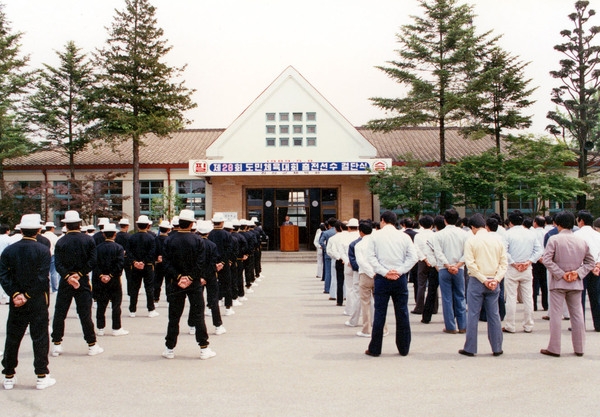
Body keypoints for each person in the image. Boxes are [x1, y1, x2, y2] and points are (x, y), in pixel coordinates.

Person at [1, 214, 55, 390]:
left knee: (13, 337)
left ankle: (8, 375)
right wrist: (28, 295)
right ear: (39, 230)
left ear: (21, 229)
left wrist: (16, 294)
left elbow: (3, 275)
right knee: (39, 337)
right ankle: (41, 375)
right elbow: (41, 278)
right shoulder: (42, 250)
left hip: (16, 300)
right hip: (37, 299)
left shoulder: (10, 250)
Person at [162, 209, 215, 360]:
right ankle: (204, 348)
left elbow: (166, 263)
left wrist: (179, 277)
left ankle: (169, 348)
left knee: (174, 317)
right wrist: (190, 277)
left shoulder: (169, 240)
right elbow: (201, 262)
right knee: (198, 316)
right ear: (192, 224)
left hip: (175, 282)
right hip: (194, 283)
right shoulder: (198, 240)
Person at [364, 211, 418, 357]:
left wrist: (384, 271)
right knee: (402, 313)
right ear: (395, 222)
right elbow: (413, 257)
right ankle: (404, 347)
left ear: (382, 221)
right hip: (399, 279)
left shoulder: (375, 236)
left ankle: (375, 348)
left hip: (382, 279)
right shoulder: (404, 236)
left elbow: (370, 257)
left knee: (380, 313)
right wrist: (400, 271)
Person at [541, 211, 595, 357]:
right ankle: (579, 348)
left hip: (558, 283)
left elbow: (546, 260)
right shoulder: (581, 241)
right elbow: (590, 262)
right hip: (575, 282)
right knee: (577, 316)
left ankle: (554, 348)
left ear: (558, 224)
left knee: (556, 316)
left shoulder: (554, 239)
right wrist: (578, 273)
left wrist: (560, 273)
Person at [51, 210, 103, 357]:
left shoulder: (61, 241)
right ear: (80, 224)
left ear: (66, 225)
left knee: (60, 312)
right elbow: (92, 261)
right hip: (82, 279)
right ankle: (92, 344)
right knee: (85, 313)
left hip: (66, 280)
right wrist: (79, 274)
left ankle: (56, 344)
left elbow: (58, 263)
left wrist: (68, 276)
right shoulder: (88, 240)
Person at [458, 214, 507, 357]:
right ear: (484, 225)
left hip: (477, 281)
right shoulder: (498, 240)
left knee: (473, 314)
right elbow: (503, 263)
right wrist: (496, 279)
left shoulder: (471, 241)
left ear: (472, 227)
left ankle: (470, 348)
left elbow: (470, 264)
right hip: (494, 280)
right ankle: (497, 347)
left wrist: (483, 279)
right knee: (494, 315)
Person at [502, 210, 543, 334]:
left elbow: (504, 251)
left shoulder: (507, 234)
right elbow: (538, 250)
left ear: (510, 222)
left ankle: (510, 325)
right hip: (526, 268)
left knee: (511, 297)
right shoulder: (531, 234)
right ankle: (529, 325)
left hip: (512, 268)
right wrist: (529, 261)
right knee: (528, 297)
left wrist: (514, 262)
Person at [432, 208, 468, 334]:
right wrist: (457, 266)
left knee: (446, 298)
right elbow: (467, 253)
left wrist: (448, 265)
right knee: (460, 296)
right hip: (459, 268)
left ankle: (450, 326)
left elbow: (438, 253)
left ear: (445, 220)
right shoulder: (464, 234)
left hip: (444, 269)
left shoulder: (438, 235)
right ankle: (463, 325)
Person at [92, 223, 128, 337]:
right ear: (114, 234)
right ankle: (116, 327)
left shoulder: (97, 248)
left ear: (103, 234)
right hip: (114, 280)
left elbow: (94, 264)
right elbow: (120, 264)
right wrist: (111, 275)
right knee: (116, 305)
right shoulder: (118, 248)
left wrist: (102, 275)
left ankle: (100, 328)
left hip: (100, 279)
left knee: (101, 304)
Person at [127, 215, 158, 318]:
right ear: (148, 226)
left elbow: (129, 252)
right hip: (148, 265)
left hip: (135, 266)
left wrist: (135, 262)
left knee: (134, 288)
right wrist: (144, 262)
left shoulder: (132, 237)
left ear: (138, 225)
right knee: (149, 288)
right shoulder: (151, 238)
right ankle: (151, 309)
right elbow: (152, 252)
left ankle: (132, 310)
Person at [574, 210, 600, 331]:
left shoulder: (576, 235)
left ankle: (580, 324)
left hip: (581, 269)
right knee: (596, 297)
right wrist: (597, 265)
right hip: (596, 269)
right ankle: (598, 324)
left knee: (580, 298)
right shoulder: (598, 235)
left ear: (581, 221)